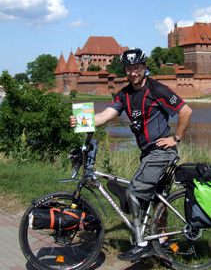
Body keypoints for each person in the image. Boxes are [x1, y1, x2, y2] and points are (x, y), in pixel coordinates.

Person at [70, 48, 192, 262]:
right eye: (129, 69)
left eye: (137, 68)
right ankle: (160, 241)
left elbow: (186, 111)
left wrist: (177, 138)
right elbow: (106, 115)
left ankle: (142, 244)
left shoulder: (158, 90)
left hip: (161, 152)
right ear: (125, 70)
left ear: (145, 68)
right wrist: (82, 121)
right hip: (147, 154)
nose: (134, 72)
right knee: (152, 198)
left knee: (134, 192)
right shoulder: (124, 95)